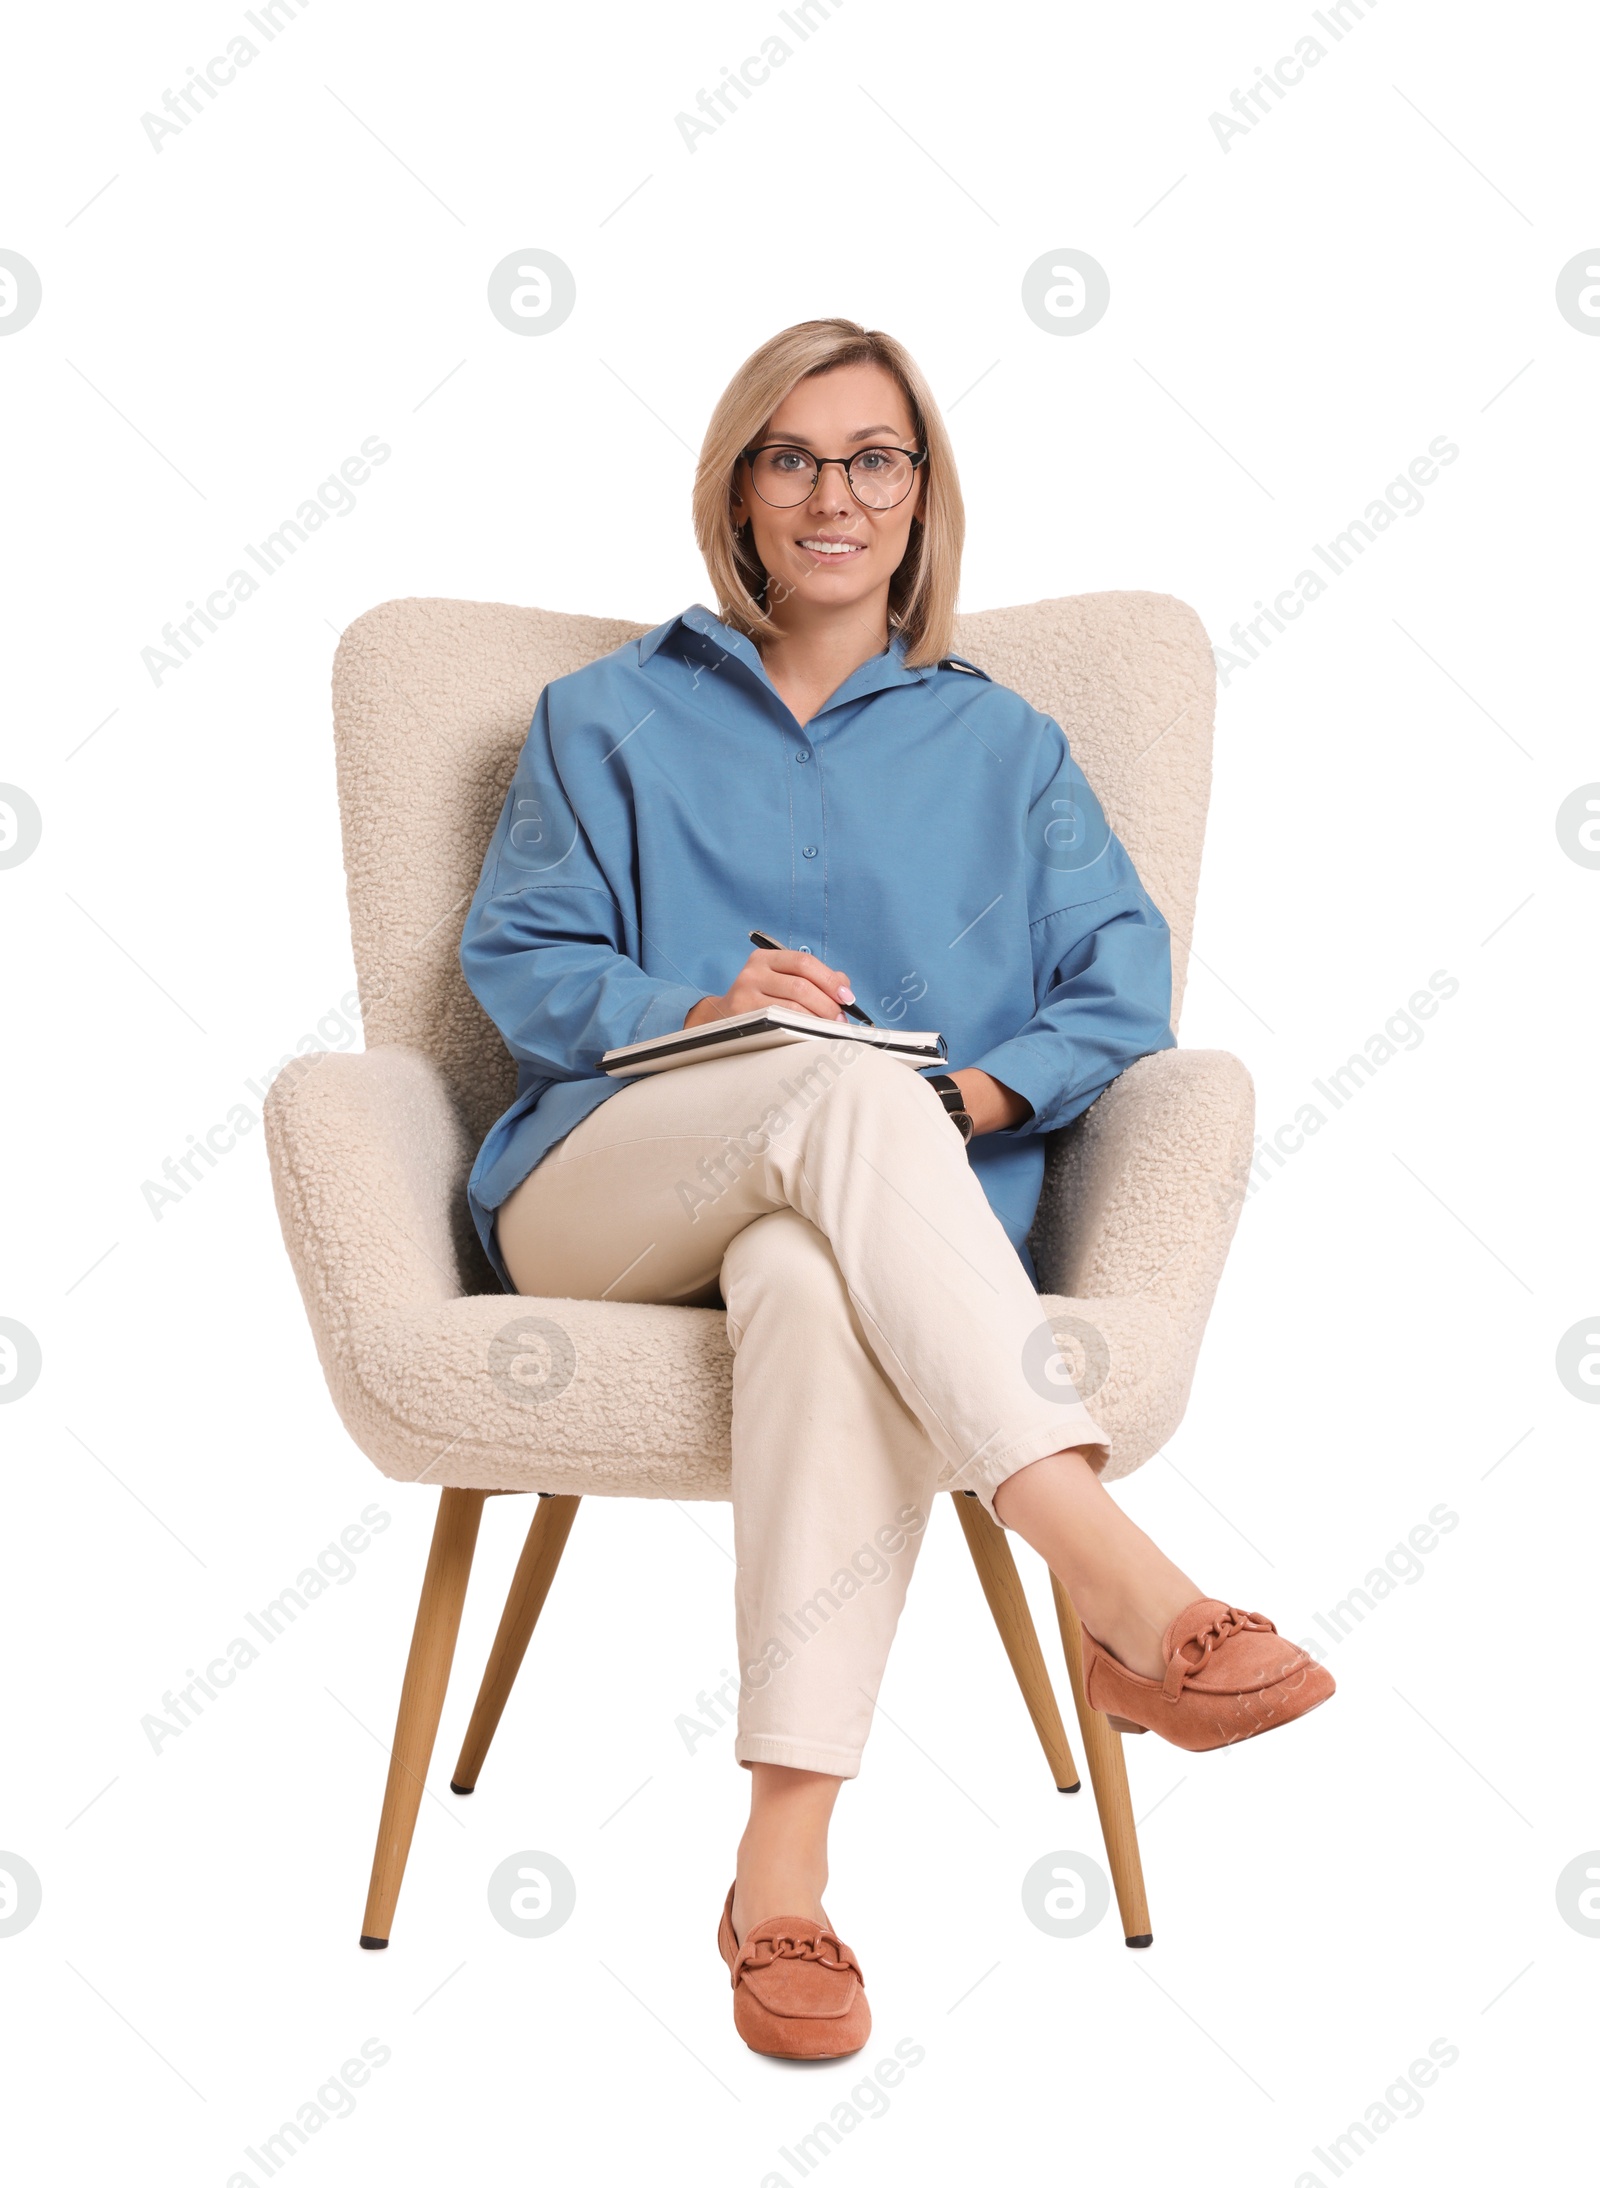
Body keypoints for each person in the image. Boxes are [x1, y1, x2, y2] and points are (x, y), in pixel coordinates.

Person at [459, 318, 1334, 2059]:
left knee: (805, 1263)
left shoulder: (1005, 749)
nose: (833, 494)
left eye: (874, 458)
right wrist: (700, 1010)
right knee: (817, 1075)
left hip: (871, 1228)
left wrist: (987, 1091)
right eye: (791, 457)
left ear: (923, 495)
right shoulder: (600, 716)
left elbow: (1119, 983)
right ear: (738, 488)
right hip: (606, 1199)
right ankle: (1120, 1584)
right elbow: (520, 959)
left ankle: (780, 1873)